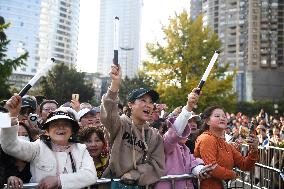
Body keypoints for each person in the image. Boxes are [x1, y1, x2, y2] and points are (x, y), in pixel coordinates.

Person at [1, 94, 97, 189]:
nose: (61, 128)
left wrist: (59, 180)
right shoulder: (38, 148)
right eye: (55, 124)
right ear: (47, 131)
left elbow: (90, 175)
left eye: (65, 124)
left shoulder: (81, 149)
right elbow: (9, 146)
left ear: (72, 130)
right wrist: (12, 115)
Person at [100, 64, 165, 187]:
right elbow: (108, 113)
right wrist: (115, 84)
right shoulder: (120, 124)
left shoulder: (154, 135)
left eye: (151, 102)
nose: (148, 105)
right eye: (143, 100)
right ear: (130, 105)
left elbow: (157, 165)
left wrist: (135, 174)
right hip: (112, 183)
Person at [155, 88, 216, 189]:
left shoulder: (185, 149)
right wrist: (189, 106)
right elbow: (174, 132)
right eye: (185, 126)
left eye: (193, 122)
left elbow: (193, 164)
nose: (187, 130)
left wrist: (201, 170)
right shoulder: (166, 144)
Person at [194, 106, 259, 189]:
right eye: (217, 116)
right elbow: (212, 167)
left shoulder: (227, 145)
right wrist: (233, 174)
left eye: (224, 116)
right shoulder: (206, 138)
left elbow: (245, 165)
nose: (222, 118)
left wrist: (254, 149)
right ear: (207, 121)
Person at [0, 122, 32, 189]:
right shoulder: (2, 159)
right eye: (16, 135)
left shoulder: (36, 159)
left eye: (25, 135)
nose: (21, 138)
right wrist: (8, 178)